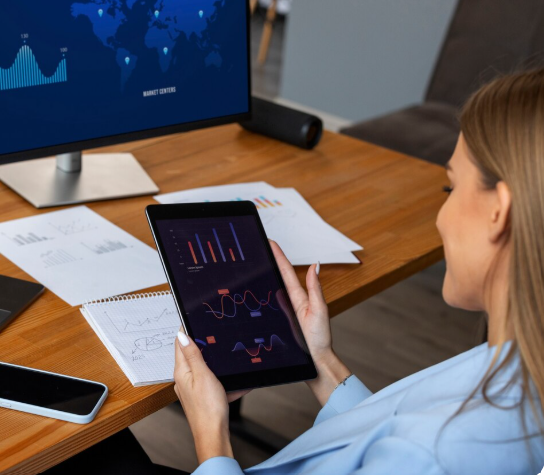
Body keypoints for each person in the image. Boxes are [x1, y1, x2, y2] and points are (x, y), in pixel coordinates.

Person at [44, 68, 544, 475]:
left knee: (61, 442)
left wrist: (210, 434)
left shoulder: (438, 454)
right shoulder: (519, 365)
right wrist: (321, 360)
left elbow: (414, 451)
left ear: (498, 210)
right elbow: (386, 436)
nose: (442, 213)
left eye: (450, 189)